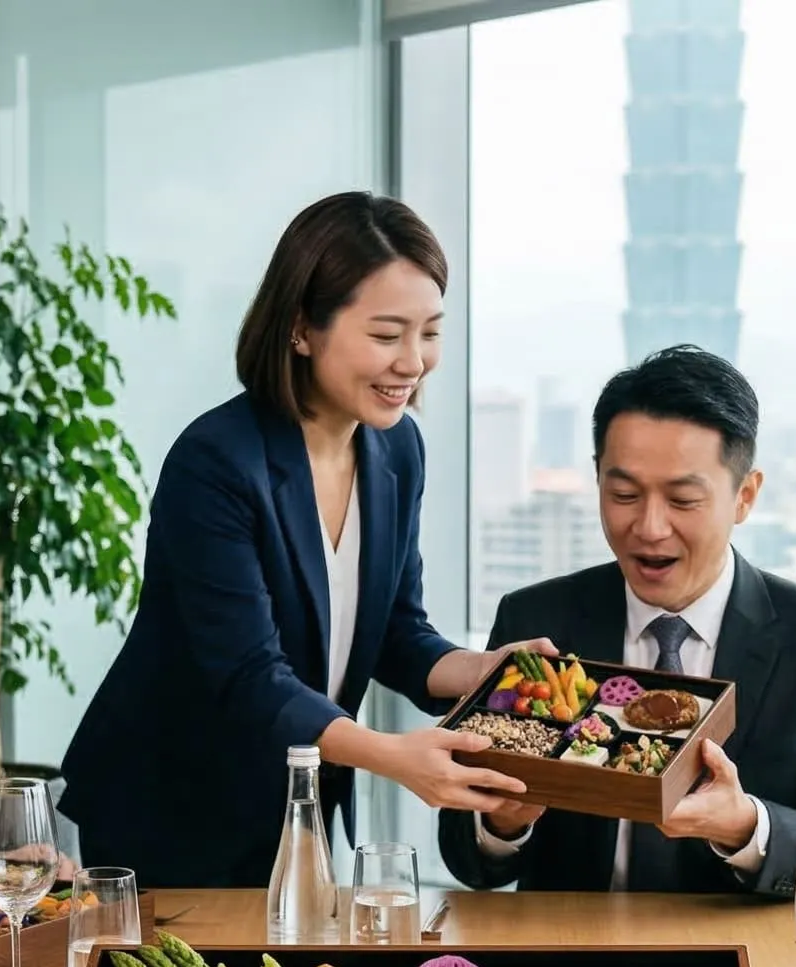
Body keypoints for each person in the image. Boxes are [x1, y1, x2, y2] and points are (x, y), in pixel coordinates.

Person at [59, 192, 549, 887]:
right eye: (386, 335)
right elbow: (249, 676)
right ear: (300, 330)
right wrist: (393, 756)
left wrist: (481, 671)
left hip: (296, 806)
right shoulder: (216, 462)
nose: (413, 362)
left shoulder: (398, 449)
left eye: (429, 332)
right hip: (173, 808)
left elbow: (398, 634)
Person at [438, 346, 796, 897]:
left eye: (682, 499)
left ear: (744, 496)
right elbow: (470, 861)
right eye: (624, 494)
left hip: (738, 963)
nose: (649, 527)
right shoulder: (537, 619)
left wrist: (746, 824)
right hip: (569, 959)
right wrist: (504, 821)